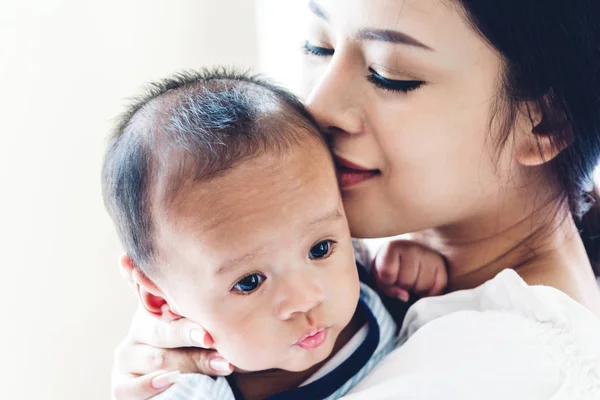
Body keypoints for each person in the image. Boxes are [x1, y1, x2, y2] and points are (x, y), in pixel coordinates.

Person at [110, 0, 600, 399]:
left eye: (390, 74)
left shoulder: (499, 364)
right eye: (318, 45)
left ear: (544, 124)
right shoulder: (398, 286)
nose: (318, 107)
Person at [102, 69, 448, 400]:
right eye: (250, 282)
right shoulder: (194, 389)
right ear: (160, 299)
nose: (305, 298)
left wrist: (404, 271)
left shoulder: (360, 272)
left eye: (320, 249)